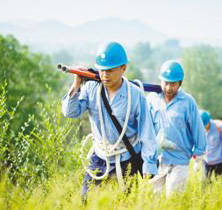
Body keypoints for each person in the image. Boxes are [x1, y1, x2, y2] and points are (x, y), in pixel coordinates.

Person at [61, 41, 158, 199]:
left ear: (123, 68)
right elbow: (70, 112)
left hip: (126, 160)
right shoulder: (91, 88)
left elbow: (147, 132)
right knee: (86, 201)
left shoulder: (135, 95)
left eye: (110, 71)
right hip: (99, 157)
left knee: (125, 204)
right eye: (102, 70)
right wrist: (77, 83)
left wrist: (149, 164)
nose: (105, 75)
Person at [147, 60, 206, 196]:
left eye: (172, 84)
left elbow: (198, 128)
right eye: (165, 83)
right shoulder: (152, 99)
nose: (168, 88)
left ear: (180, 83)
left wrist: (199, 154)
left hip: (179, 159)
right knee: (153, 198)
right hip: (157, 159)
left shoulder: (187, 102)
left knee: (173, 198)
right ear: (160, 81)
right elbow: (145, 127)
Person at [195, 110, 222, 180]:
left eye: (205, 125)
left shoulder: (219, 127)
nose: (204, 128)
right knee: (204, 185)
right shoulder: (199, 130)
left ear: (209, 121)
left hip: (220, 161)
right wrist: (196, 161)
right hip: (207, 161)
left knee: (220, 185)